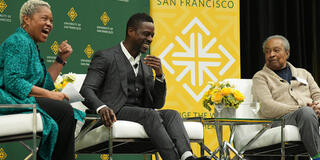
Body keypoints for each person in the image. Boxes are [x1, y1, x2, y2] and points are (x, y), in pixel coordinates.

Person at [80, 13, 209, 160]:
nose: (150, 39)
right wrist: (101, 107)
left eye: (152, 35)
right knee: (150, 114)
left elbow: (157, 103)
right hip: (114, 112)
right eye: (146, 34)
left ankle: (188, 157)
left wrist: (159, 75)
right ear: (131, 31)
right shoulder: (105, 56)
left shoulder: (147, 67)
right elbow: (86, 89)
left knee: (172, 114)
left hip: (142, 114)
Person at [0, 0, 84, 159]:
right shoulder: (19, 41)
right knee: (64, 111)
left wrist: (60, 59)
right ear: (27, 19)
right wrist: (51, 95)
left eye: (51, 21)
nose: (49, 24)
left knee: (65, 110)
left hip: (22, 97)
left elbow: (45, 84)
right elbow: (13, 82)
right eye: (44, 18)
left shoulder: (30, 43)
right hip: (8, 100)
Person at [252, 35, 320, 160]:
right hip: (279, 121)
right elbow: (267, 107)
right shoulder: (260, 77)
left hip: (310, 114)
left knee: (308, 112)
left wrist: (318, 106)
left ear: (287, 53)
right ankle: (316, 157)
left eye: (276, 50)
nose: (271, 54)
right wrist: (301, 108)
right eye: (267, 52)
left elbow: (317, 95)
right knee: (306, 112)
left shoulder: (303, 73)